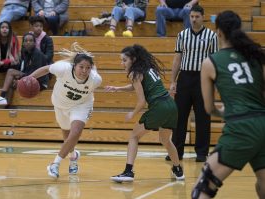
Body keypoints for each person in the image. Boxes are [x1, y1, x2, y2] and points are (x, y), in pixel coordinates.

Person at [192, 10, 265, 199]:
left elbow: (209, 109)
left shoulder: (211, 62)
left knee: (202, 189)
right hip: (263, 124)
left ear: (219, 33)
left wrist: (227, 112)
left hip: (241, 129)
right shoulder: (257, 56)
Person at [106, 44, 185, 182]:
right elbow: (137, 86)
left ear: (134, 59)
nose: (122, 63)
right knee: (166, 140)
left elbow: (142, 101)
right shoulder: (148, 69)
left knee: (133, 137)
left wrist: (133, 113)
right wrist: (118, 88)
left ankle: (128, 172)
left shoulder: (134, 73)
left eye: (124, 60)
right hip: (171, 106)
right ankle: (178, 170)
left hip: (158, 107)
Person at [29, 42, 102, 178]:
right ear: (74, 66)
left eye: (88, 68)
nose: (84, 71)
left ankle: (55, 164)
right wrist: (30, 78)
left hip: (81, 105)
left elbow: (90, 88)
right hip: (60, 104)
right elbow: (45, 69)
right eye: (81, 67)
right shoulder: (63, 68)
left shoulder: (95, 80)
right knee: (67, 136)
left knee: (76, 132)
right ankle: (73, 156)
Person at [167, 5, 218, 162]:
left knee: (203, 117)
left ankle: (202, 153)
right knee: (179, 116)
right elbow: (177, 60)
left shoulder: (212, 36)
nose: (194, 19)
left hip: (203, 79)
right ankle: (176, 151)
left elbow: (215, 61)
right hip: (185, 78)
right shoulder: (182, 35)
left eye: (197, 16)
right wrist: (172, 81)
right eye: (192, 17)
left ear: (203, 17)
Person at [0, 33, 48, 106]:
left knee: (10, 72)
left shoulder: (37, 54)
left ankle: (1, 97)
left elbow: (35, 75)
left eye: (31, 40)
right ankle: (6, 106)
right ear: (23, 43)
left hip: (39, 82)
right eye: (26, 41)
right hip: (29, 78)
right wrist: (18, 78)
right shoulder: (25, 52)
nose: (28, 42)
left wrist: (20, 80)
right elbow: (24, 69)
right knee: (11, 83)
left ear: (34, 43)